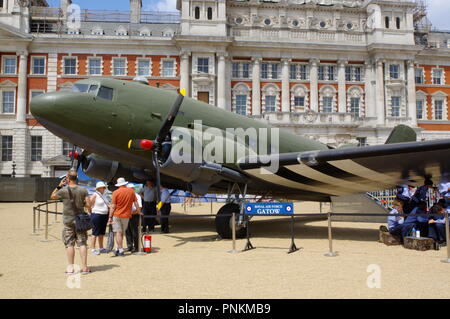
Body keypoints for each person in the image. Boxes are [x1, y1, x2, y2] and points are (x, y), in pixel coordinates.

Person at [51, 169, 91, 274]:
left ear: (67, 178)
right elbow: (89, 205)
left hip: (68, 220)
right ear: (76, 178)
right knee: (82, 243)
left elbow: (52, 196)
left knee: (69, 244)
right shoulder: (83, 190)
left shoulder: (63, 190)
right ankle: (85, 267)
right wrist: (82, 203)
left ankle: (70, 268)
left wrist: (60, 185)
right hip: (80, 220)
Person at [108, 177, 141, 257]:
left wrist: (110, 217)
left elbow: (113, 206)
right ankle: (118, 249)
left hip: (117, 214)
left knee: (118, 233)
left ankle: (120, 249)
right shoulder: (131, 191)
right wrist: (139, 211)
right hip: (127, 215)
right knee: (121, 232)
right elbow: (136, 203)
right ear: (125, 183)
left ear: (118, 185)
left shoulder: (115, 192)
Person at [89, 181, 110, 255]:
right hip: (97, 215)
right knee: (95, 232)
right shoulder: (95, 195)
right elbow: (89, 204)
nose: (104, 188)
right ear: (99, 188)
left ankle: (101, 248)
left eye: (104, 187)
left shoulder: (104, 195)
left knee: (101, 232)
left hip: (104, 215)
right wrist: (91, 212)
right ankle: (93, 248)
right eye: (102, 187)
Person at [125, 184, 143, 253]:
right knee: (127, 231)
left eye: (131, 189)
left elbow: (140, 207)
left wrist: (132, 213)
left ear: (133, 189)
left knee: (134, 231)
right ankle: (129, 246)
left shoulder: (137, 196)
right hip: (127, 215)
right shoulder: (127, 196)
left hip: (134, 215)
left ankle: (136, 247)